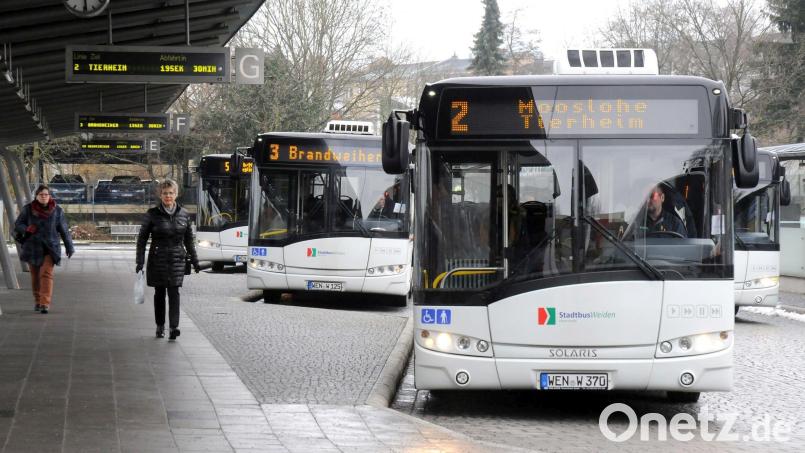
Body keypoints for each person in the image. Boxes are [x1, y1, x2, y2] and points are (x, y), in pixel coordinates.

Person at [136, 179, 200, 340]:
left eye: (171, 193)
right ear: (160, 195)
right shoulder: (152, 214)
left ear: (176, 194)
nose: (168, 196)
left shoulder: (184, 214)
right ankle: (160, 326)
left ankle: (174, 327)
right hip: (158, 259)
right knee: (159, 293)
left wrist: (195, 260)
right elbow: (142, 240)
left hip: (177, 259)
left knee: (174, 293)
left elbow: (189, 240)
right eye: (165, 193)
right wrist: (139, 261)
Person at [14, 185, 75, 314]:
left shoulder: (57, 211)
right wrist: (26, 228)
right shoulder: (28, 210)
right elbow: (18, 224)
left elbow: (64, 229)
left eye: (46, 194)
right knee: (35, 276)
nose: (44, 197)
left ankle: (44, 303)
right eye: (41, 194)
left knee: (46, 274)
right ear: (36, 196)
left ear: (50, 196)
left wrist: (69, 246)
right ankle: (37, 300)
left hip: (50, 247)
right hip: (32, 248)